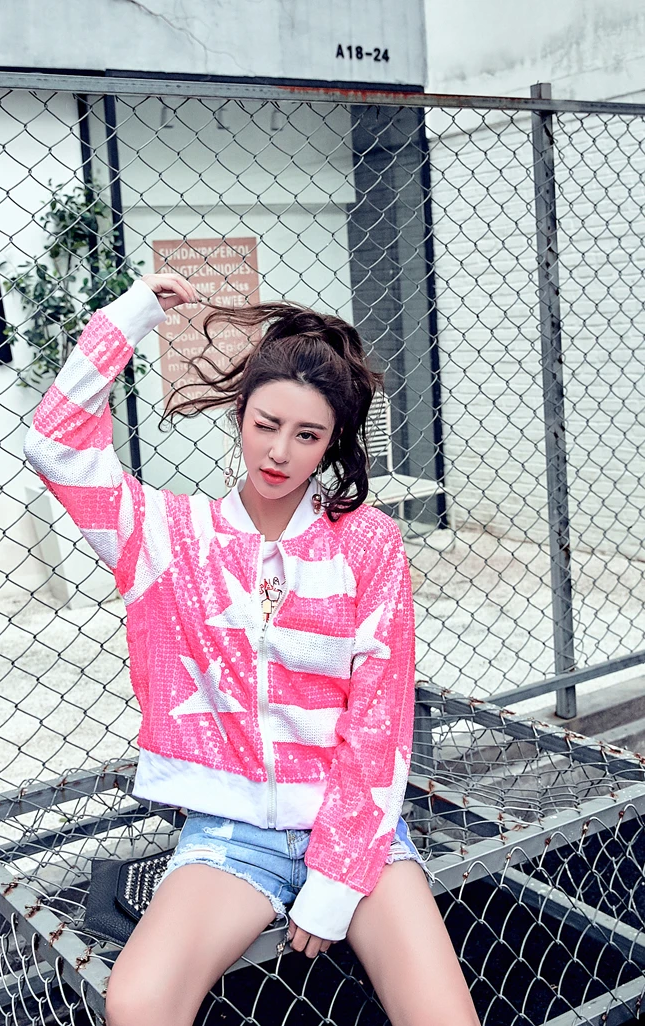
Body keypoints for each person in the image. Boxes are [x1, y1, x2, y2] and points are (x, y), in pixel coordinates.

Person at [24, 271, 480, 1026]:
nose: (279, 452)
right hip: (232, 833)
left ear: (332, 444)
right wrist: (130, 317)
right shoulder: (170, 539)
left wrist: (338, 876)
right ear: (240, 414)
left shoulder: (366, 542)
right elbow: (54, 443)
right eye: (267, 424)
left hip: (353, 821)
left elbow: (380, 715)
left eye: (307, 435)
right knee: (137, 1003)